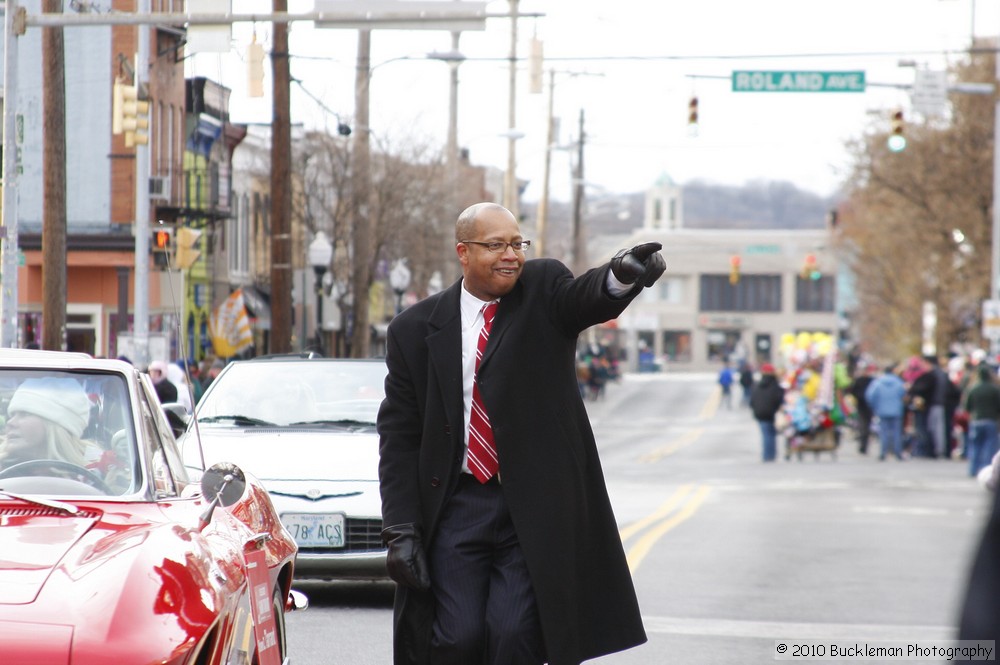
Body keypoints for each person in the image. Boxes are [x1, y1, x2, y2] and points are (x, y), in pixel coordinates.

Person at [377, 202, 661, 665]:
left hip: (532, 508)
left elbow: (586, 297)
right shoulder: (412, 330)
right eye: (495, 246)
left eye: (516, 243)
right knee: (456, 638)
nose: (510, 255)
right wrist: (401, 528)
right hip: (456, 506)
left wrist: (622, 275)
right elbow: (399, 437)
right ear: (463, 253)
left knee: (514, 636)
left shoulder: (544, 290)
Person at [0, 377, 94, 471]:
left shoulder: (97, 468)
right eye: (12, 415)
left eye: (25, 414)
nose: (10, 423)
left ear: (55, 424)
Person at [963, 364, 1000, 479]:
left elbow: (967, 406)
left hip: (976, 419)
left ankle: (973, 469)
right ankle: (985, 470)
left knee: (975, 446)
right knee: (989, 446)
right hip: (990, 419)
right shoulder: (994, 389)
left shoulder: (973, 388)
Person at [865, 363, 907, 461]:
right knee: (897, 432)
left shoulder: (878, 382)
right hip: (896, 410)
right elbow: (904, 395)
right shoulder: (898, 382)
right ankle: (898, 452)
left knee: (883, 432)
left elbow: (870, 395)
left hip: (882, 410)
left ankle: (883, 453)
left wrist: (875, 406)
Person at [749, 363, 785, 462]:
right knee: (770, 434)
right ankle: (770, 455)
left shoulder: (757, 385)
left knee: (766, 434)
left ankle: (767, 455)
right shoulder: (775, 385)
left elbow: (752, 400)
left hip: (760, 412)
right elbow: (778, 398)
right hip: (771, 412)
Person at [847, 363, 877, 454]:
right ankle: (863, 445)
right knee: (864, 426)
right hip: (862, 406)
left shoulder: (872, 380)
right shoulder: (860, 380)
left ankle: (864, 445)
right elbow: (853, 391)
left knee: (866, 426)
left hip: (868, 406)